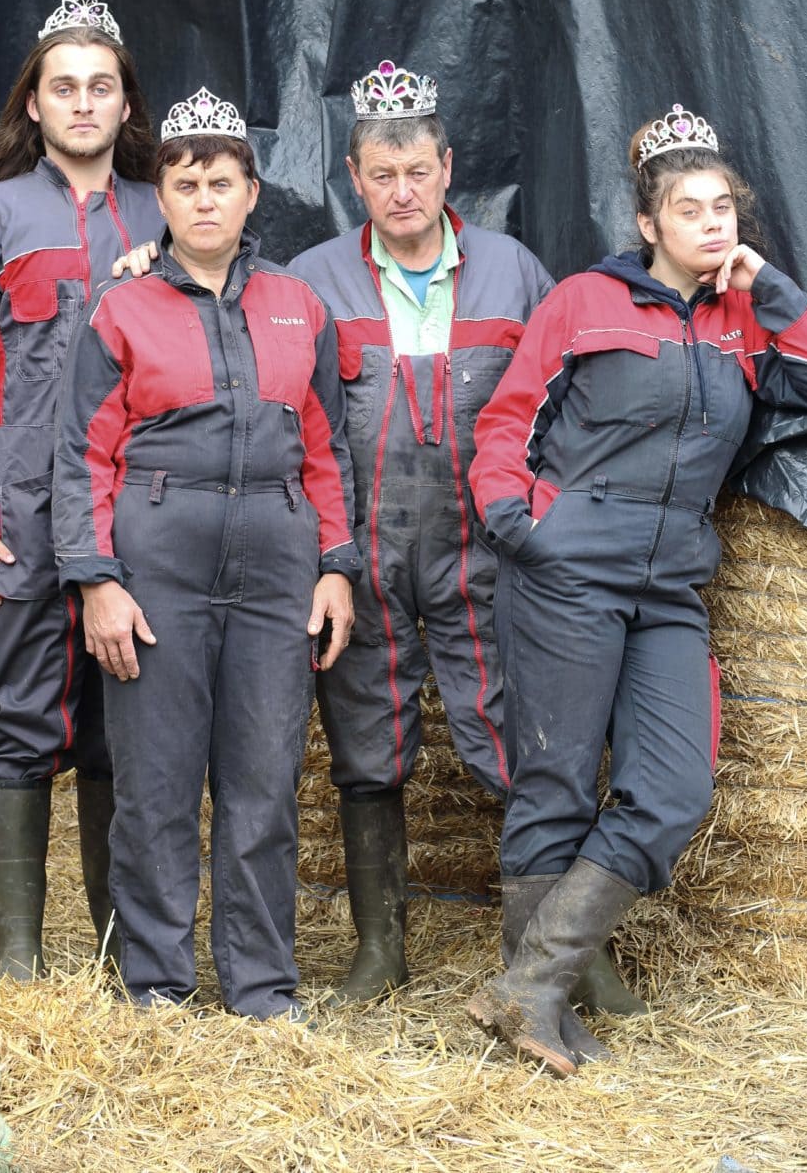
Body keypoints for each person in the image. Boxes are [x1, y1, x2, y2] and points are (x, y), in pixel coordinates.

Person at [465, 103, 807, 1074]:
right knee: (553, 785)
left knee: (674, 788)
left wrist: (762, 282)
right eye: (687, 209)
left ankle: (527, 986)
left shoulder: (738, 320)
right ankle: (539, 1013)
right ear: (646, 224)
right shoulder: (582, 302)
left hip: (669, 587)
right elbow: (502, 429)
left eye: (721, 208)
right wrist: (528, 530)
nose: (710, 223)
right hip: (565, 577)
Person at [52, 87, 360, 1020]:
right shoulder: (122, 309)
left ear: (253, 192)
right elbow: (81, 454)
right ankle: (157, 986)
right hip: (159, 564)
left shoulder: (298, 307)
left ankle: (264, 991)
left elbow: (325, 448)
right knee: (155, 784)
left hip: (276, 563)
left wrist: (337, 563)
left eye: (221, 183)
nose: (205, 201)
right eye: (185, 185)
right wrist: (97, 581)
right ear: (163, 198)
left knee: (264, 785)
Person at [286, 61, 567, 1006]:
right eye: (380, 174)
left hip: (485, 555)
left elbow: (562, 409)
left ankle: (562, 950)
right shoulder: (311, 282)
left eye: (418, 171)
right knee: (366, 745)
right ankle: (380, 950)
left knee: (522, 740)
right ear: (353, 181)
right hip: (361, 558)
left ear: (449, 169)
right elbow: (294, 425)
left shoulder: (515, 272)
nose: (401, 192)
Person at [0, 0, 160, 980]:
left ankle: (117, 952)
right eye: (65, 86)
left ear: (125, 103)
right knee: (19, 717)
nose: (84, 102)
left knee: (122, 721)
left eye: (101, 85)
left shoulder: (162, 210)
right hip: (18, 511)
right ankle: (18, 963)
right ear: (36, 102)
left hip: (136, 512)